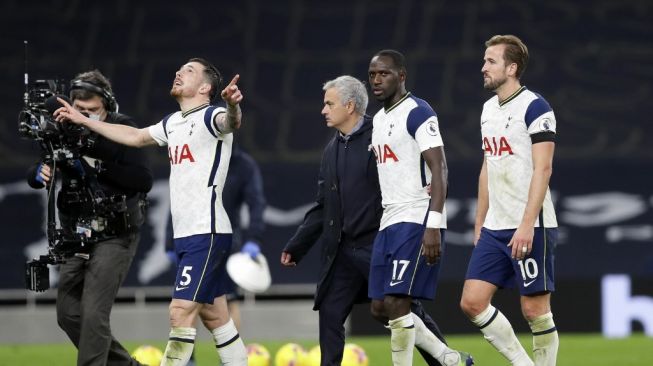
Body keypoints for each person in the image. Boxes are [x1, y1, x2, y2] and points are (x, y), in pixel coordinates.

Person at [54, 58, 247, 365]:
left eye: (189, 71)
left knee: (179, 311)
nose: (178, 73)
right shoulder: (172, 122)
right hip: (187, 234)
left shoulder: (213, 115)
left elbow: (231, 123)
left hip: (206, 231)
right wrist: (85, 121)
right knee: (215, 316)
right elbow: (135, 137)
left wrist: (233, 106)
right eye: (180, 69)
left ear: (206, 87)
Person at [281, 75, 448, 366]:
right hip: (343, 250)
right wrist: (298, 245)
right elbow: (324, 205)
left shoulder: (382, 131)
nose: (323, 110)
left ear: (349, 106)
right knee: (330, 314)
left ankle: (445, 360)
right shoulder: (331, 149)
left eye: (329, 104)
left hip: (378, 241)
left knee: (400, 309)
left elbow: (412, 173)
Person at [27, 69, 152, 366]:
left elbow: (143, 180)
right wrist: (37, 173)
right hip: (75, 234)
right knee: (69, 314)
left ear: (107, 105)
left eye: (92, 111)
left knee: (94, 315)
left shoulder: (123, 128)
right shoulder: (62, 128)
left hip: (115, 233)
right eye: (79, 110)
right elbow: (43, 165)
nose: (84, 115)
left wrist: (98, 164)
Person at [367, 50, 474, 366]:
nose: (376, 80)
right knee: (379, 308)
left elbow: (439, 169)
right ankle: (448, 358)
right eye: (372, 74)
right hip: (389, 222)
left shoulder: (418, 111)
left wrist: (433, 224)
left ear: (401, 76)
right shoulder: (380, 120)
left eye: (383, 73)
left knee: (398, 303)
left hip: (415, 219)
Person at [459, 34, 559, 366]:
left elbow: (543, 169)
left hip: (531, 224)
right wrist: (479, 222)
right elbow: (488, 166)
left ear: (511, 68)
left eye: (491, 61)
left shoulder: (536, 107)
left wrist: (527, 225)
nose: (483, 67)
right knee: (472, 302)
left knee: (534, 310)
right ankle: (523, 363)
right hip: (495, 226)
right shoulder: (488, 110)